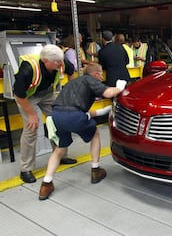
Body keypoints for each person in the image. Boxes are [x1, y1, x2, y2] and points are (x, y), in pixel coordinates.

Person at [38, 63, 127, 200]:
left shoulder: (73, 83)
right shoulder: (90, 80)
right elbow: (109, 93)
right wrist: (120, 87)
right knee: (95, 134)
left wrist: (105, 110)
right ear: (96, 74)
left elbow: (77, 111)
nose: (102, 77)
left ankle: (46, 184)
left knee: (60, 149)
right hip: (73, 116)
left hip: (56, 115)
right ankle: (96, 170)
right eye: (101, 74)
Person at [13, 44, 78, 184]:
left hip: (47, 94)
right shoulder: (28, 69)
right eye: (56, 62)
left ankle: (60, 155)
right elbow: (18, 95)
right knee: (32, 128)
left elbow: (71, 71)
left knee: (59, 122)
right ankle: (26, 169)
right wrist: (31, 114)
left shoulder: (59, 60)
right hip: (27, 97)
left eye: (61, 61)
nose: (60, 64)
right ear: (45, 61)